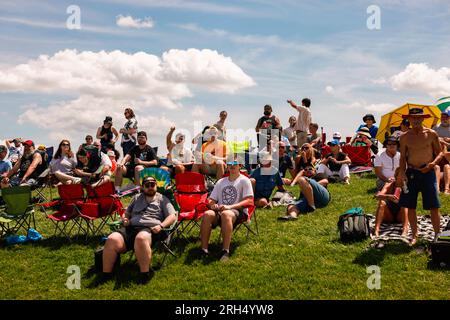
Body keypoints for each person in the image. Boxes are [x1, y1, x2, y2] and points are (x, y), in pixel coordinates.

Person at [102, 176, 177, 284]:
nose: (150, 187)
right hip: (131, 227)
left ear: (156, 186)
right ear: (142, 187)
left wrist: (161, 226)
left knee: (141, 238)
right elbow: (127, 212)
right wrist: (125, 218)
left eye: (153, 185)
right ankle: (106, 275)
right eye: (147, 185)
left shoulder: (163, 199)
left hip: (151, 229)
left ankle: (145, 274)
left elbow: (172, 216)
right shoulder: (136, 198)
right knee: (112, 238)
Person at [396, 108, 443, 245]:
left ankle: (437, 234)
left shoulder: (431, 133)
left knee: (434, 205)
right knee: (410, 206)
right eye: (413, 118)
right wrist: (402, 173)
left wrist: (432, 164)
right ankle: (415, 234)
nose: (416, 120)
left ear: (423, 118)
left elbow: (440, 153)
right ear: (409, 119)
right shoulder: (404, 137)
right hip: (411, 173)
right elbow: (403, 157)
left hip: (428, 172)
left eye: (418, 117)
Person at [200, 160, 254, 261]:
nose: (232, 166)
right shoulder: (221, 181)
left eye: (235, 164)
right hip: (220, 210)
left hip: (238, 211)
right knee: (207, 214)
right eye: (229, 164)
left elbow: (249, 201)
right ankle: (204, 249)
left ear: (240, 166)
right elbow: (211, 199)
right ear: (227, 167)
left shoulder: (245, 180)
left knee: (226, 214)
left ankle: (225, 251)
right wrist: (212, 205)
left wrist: (230, 206)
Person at [374, 168, 408, 238]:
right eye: (401, 175)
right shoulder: (390, 183)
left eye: (404, 175)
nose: (403, 177)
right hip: (389, 214)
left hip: (400, 215)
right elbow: (378, 196)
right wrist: (389, 196)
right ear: (396, 175)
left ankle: (405, 229)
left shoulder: (407, 185)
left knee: (405, 205)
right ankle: (376, 230)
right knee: (382, 203)